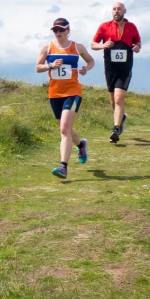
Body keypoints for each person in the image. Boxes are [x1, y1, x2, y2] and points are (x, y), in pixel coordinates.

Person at [36, 17, 95, 179]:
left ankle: (63, 166)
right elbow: (38, 67)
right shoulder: (47, 47)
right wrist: (50, 66)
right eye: (55, 30)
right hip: (54, 94)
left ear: (68, 30)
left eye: (61, 30)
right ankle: (81, 144)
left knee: (63, 129)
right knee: (65, 129)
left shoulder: (77, 47)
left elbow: (91, 61)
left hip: (73, 92)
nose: (58, 32)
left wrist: (85, 69)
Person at [90, 2, 142, 143]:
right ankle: (122, 117)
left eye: (119, 9)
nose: (116, 11)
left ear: (124, 10)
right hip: (110, 68)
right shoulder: (104, 26)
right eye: (114, 9)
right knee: (113, 101)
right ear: (111, 12)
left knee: (119, 98)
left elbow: (138, 42)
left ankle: (116, 129)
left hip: (125, 69)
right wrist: (103, 45)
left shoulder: (131, 27)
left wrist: (137, 47)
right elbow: (93, 44)